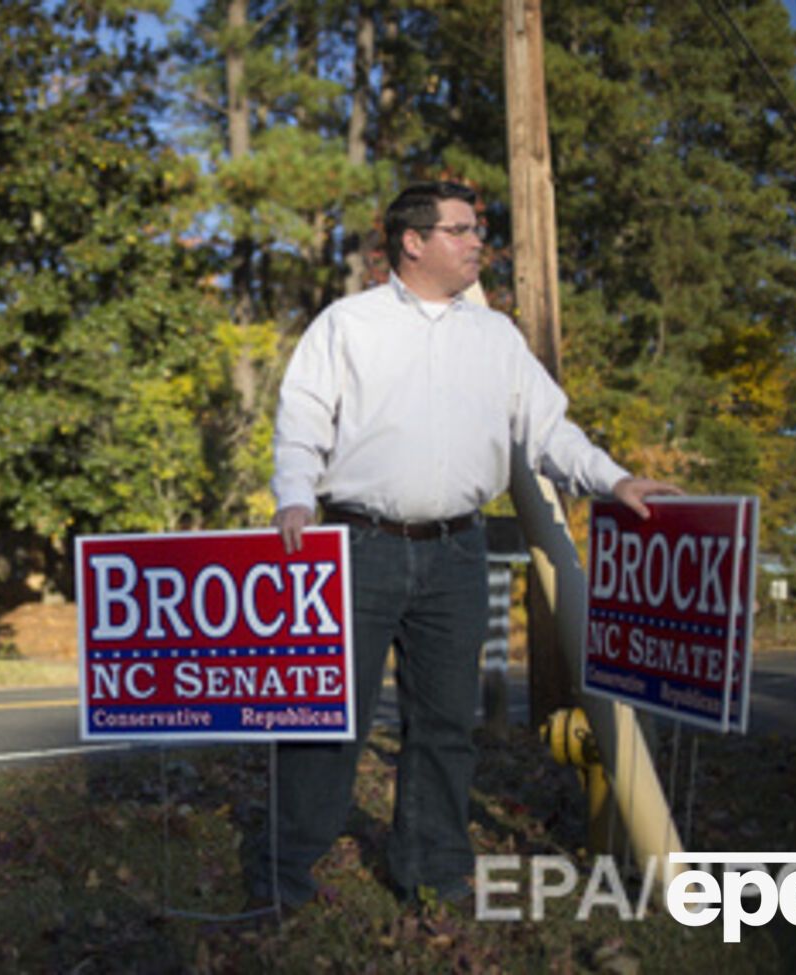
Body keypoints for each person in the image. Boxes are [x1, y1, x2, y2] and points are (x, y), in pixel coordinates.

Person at [247, 180, 680, 912]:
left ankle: (432, 871)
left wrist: (616, 480)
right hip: (356, 546)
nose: (480, 240)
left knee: (447, 721)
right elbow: (302, 419)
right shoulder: (347, 324)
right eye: (462, 229)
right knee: (328, 719)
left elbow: (550, 432)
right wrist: (294, 494)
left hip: (458, 552)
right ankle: (282, 875)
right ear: (412, 242)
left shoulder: (497, 338)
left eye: (479, 228)